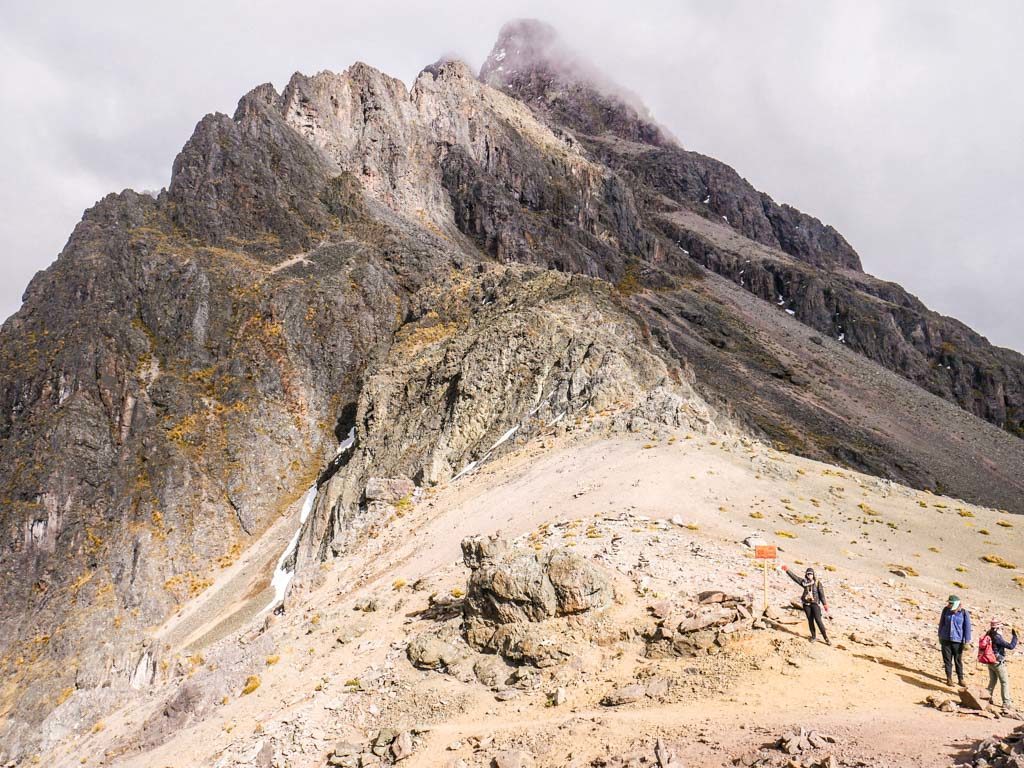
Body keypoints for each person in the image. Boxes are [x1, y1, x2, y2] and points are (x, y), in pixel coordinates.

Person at [781, 565, 830, 644]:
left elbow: (822, 594)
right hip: (806, 604)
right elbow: (795, 578)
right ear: (806, 575)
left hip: (815, 603)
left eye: (811, 574)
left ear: (813, 574)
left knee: (818, 620)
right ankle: (813, 637)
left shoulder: (817, 583)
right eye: (808, 574)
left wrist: (825, 604)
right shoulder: (803, 582)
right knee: (810, 620)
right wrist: (787, 570)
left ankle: (826, 638)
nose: (809, 575)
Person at [979, 619, 1018, 709]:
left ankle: (987, 698)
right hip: (998, 663)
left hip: (990, 662)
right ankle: (1006, 703)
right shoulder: (997, 637)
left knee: (992, 681)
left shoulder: (988, 633)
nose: (1002, 629)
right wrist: (1015, 636)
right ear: (997, 627)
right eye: (1001, 627)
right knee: (1004, 682)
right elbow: (1011, 646)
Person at [938, 595, 972, 687]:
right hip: (945, 639)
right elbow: (941, 623)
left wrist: (967, 641)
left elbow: (967, 627)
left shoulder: (964, 613)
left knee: (958, 660)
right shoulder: (945, 610)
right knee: (947, 660)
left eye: (951, 603)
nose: (949, 604)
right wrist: (940, 636)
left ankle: (960, 679)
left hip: (958, 641)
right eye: (949, 603)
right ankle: (949, 679)